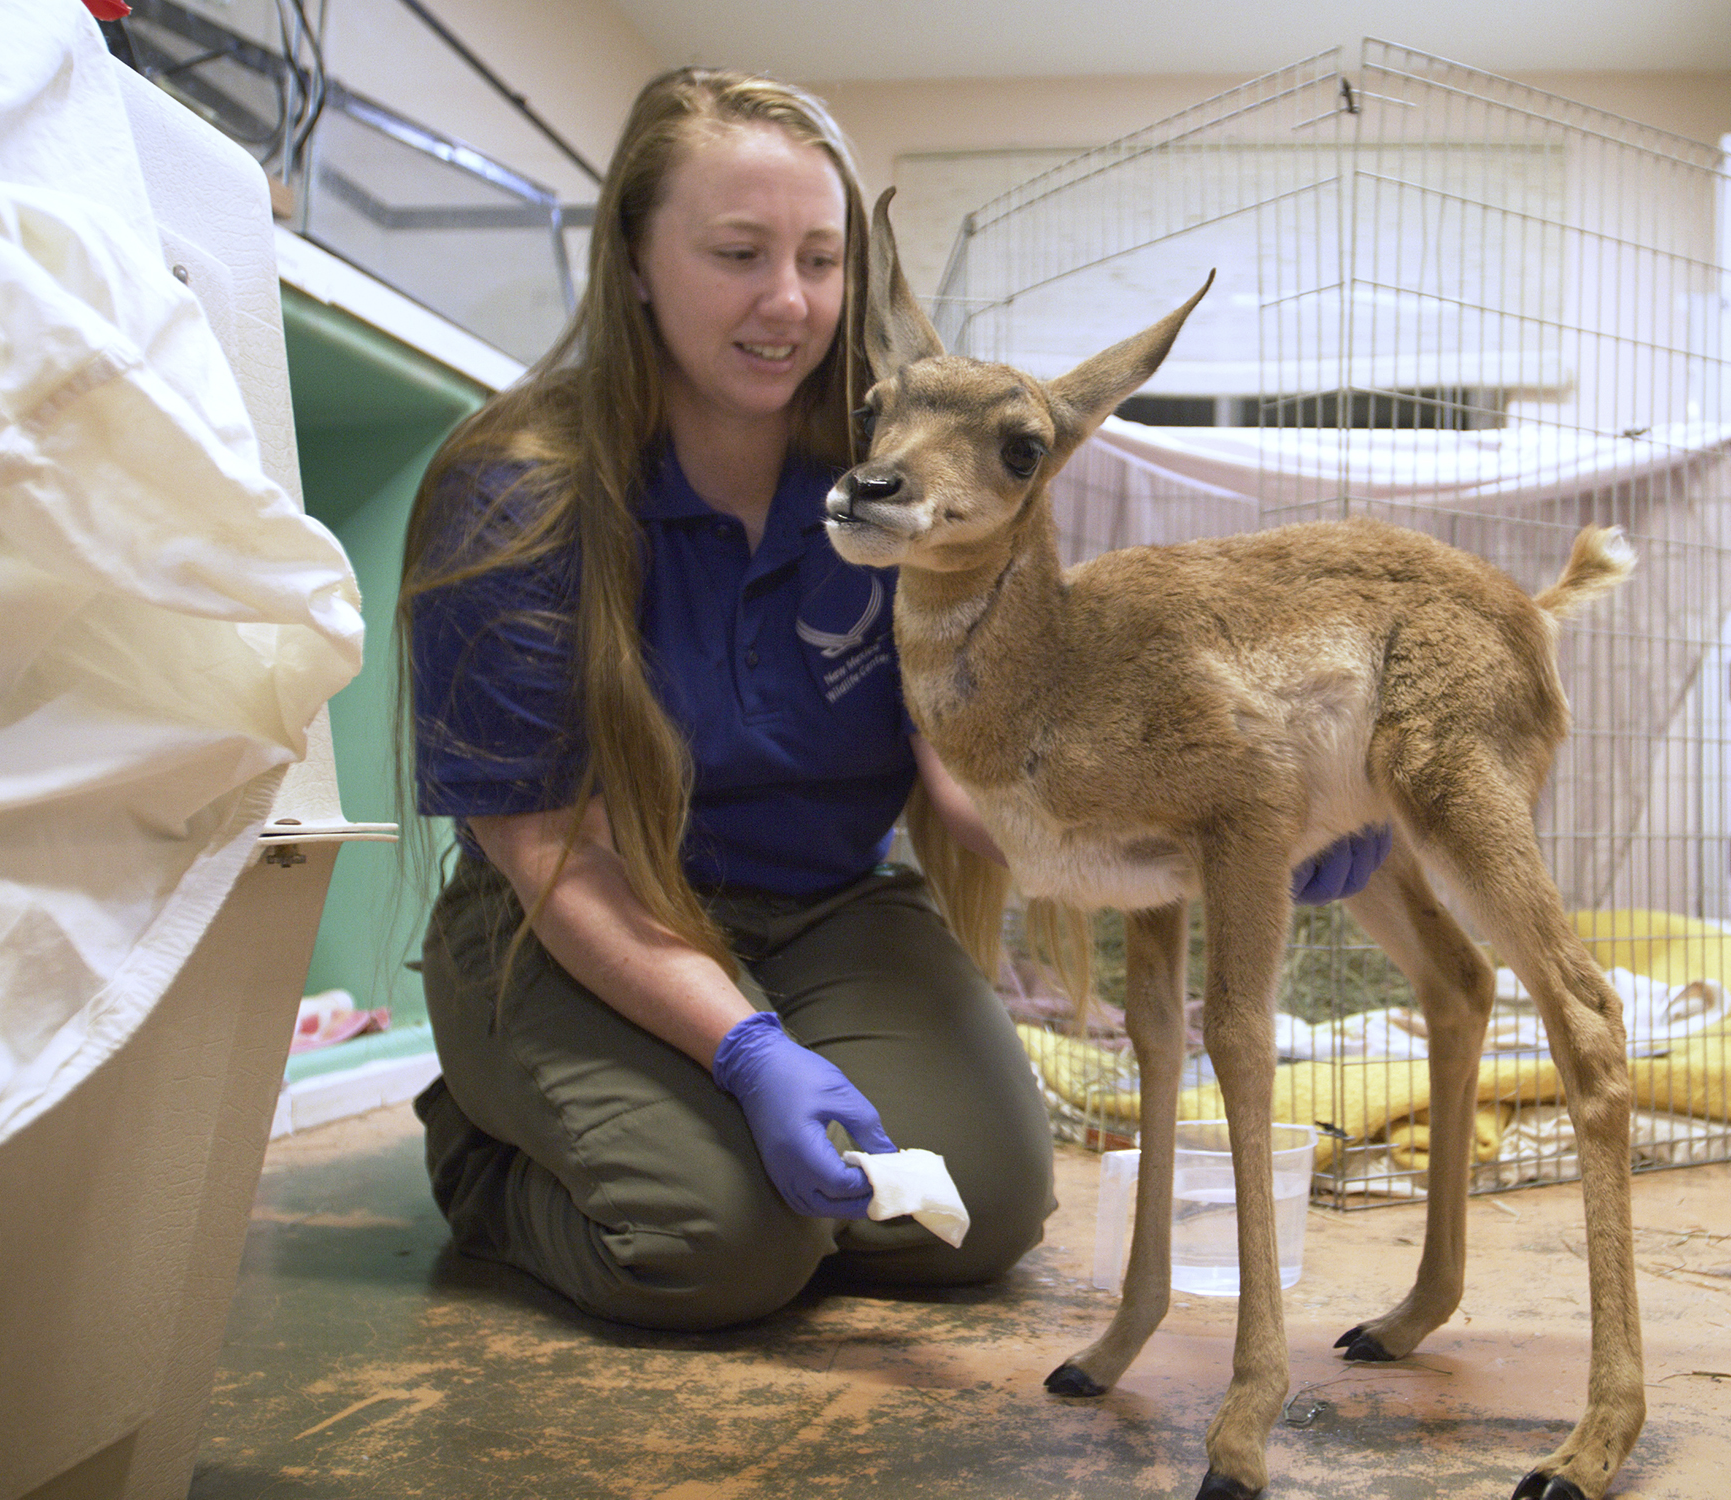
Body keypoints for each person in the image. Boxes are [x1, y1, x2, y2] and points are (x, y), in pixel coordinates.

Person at [400, 67, 1388, 1331]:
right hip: (582, 904)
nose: (791, 303)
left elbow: (969, 780)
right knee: (713, 1249)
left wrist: (1221, 835)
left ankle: (703, 1151)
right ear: (636, 263)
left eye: (821, 258)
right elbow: (544, 843)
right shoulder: (517, 490)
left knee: (982, 1208)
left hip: (827, 906)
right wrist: (744, 1049)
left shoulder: (897, 473)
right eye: (738, 254)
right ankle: (489, 1150)